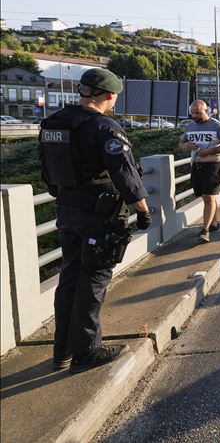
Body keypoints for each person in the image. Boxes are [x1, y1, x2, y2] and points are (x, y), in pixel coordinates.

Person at [39, 68, 152, 373]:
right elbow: (125, 173)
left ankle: (61, 350)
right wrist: (142, 209)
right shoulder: (104, 128)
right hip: (99, 214)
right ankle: (87, 350)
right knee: (94, 280)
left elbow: (47, 172)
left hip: (66, 209)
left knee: (69, 279)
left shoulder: (53, 123)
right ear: (110, 95)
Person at [179, 100, 220, 243]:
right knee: (205, 197)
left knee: (209, 198)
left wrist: (210, 151)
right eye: (192, 112)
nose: (194, 115)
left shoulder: (217, 126)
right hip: (197, 167)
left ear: (206, 111)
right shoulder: (190, 126)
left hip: (213, 166)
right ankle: (214, 224)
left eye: (197, 112)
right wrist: (186, 146)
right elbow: (181, 144)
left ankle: (205, 230)